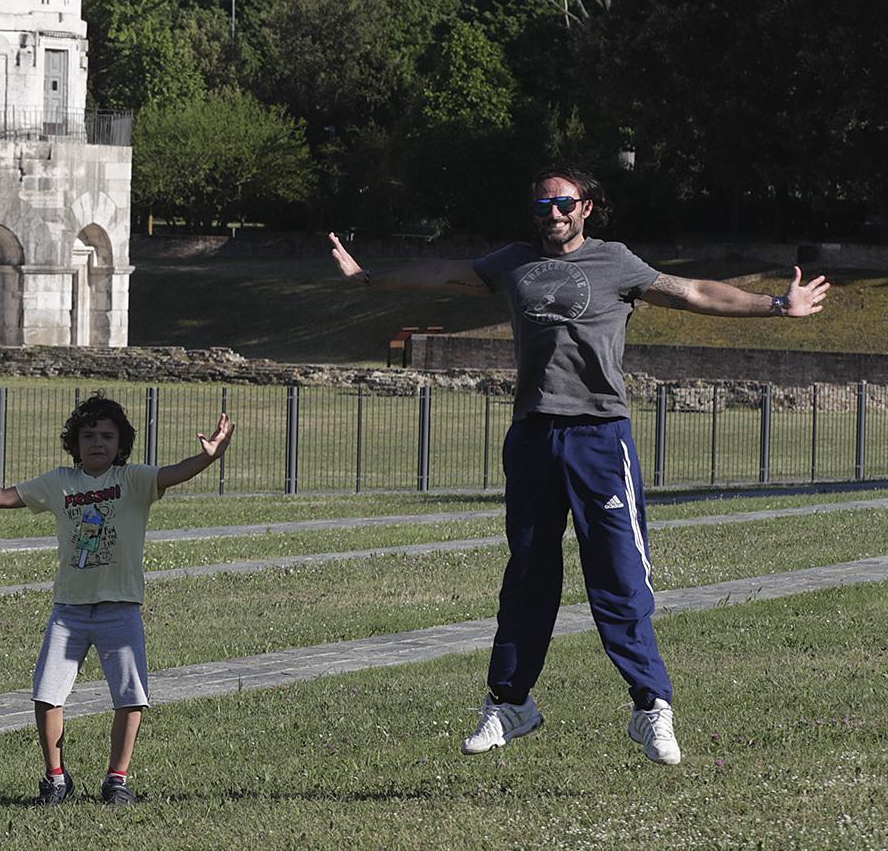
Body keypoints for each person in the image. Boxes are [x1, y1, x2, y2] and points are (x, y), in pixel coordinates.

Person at [327, 163, 830, 765]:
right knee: (529, 574)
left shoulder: (616, 262)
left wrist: (777, 304)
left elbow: (692, 292)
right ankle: (510, 702)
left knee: (618, 574)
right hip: (534, 436)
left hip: (599, 436)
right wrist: (367, 277)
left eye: (564, 204)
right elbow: (443, 273)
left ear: (586, 207)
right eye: (543, 207)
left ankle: (651, 709)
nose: (554, 215)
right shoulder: (513, 262)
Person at [0, 394, 234, 806]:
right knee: (47, 695)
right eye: (89, 435)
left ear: (121, 444)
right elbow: (0, 497)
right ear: (75, 442)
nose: (98, 443)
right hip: (69, 612)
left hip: (120, 609)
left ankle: (116, 780)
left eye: (108, 436)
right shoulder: (59, 483)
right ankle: (56, 780)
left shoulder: (133, 481)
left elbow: (175, 473)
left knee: (131, 697)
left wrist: (208, 458)